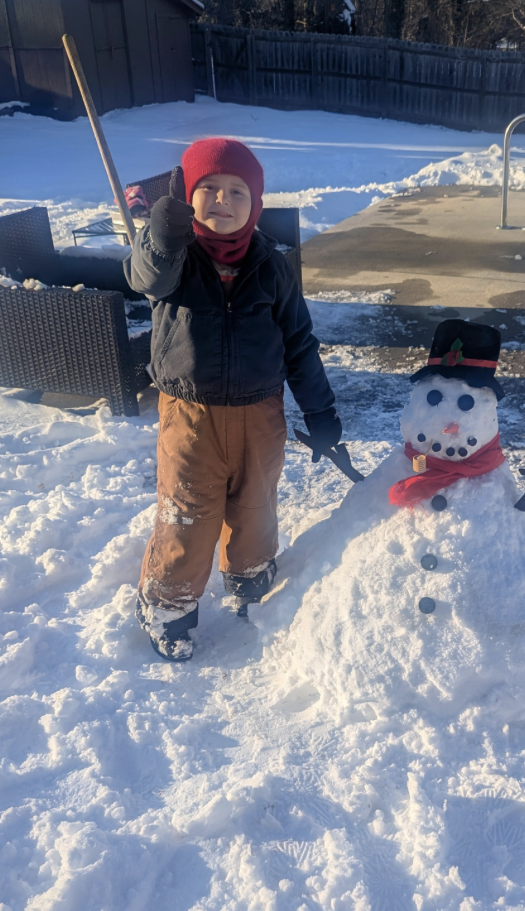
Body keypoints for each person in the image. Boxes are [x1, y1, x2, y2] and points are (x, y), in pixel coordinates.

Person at [125, 138, 342, 662]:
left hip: (260, 413)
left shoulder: (273, 266)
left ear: (257, 203)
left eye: (237, 191)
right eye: (209, 189)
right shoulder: (174, 258)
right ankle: (168, 606)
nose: (223, 200)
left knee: (256, 506)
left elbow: (299, 343)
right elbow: (143, 278)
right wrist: (161, 234)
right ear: (189, 198)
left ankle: (250, 582)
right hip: (190, 415)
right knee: (189, 515)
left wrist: (321, 410)